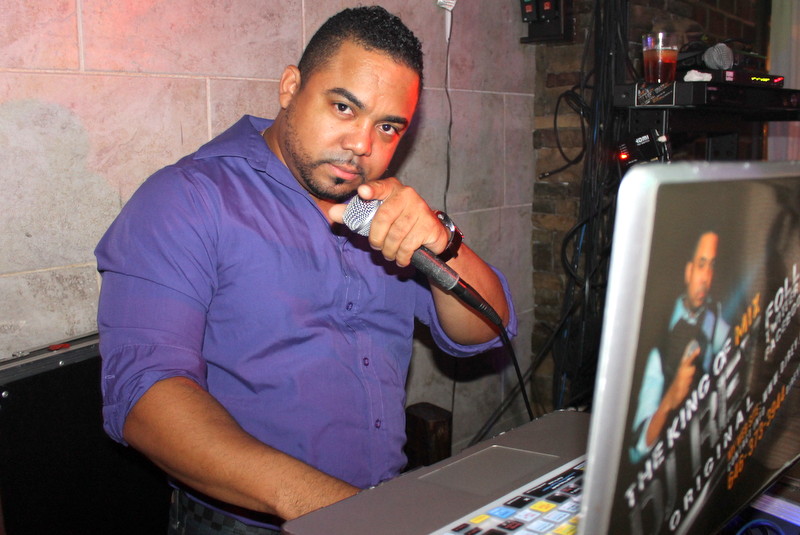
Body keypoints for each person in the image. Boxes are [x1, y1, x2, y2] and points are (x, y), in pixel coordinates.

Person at [94, 6, 516, 534]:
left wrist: (441, 240)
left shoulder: (379, 209)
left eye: (387, 127)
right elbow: (144, 394)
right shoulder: (187, 199)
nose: (362, 145)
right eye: (343, 107)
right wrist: (337, 511)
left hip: (380, 505)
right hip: (245, 523)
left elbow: (486, 329)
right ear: (291, 87)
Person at [629, 231, 729, 463]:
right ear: (688, 270)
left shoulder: (717, 322)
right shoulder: (655, 338)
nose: (706, 278)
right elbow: (637, 449)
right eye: (701, 265)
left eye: (712, 266)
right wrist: (669, 400)